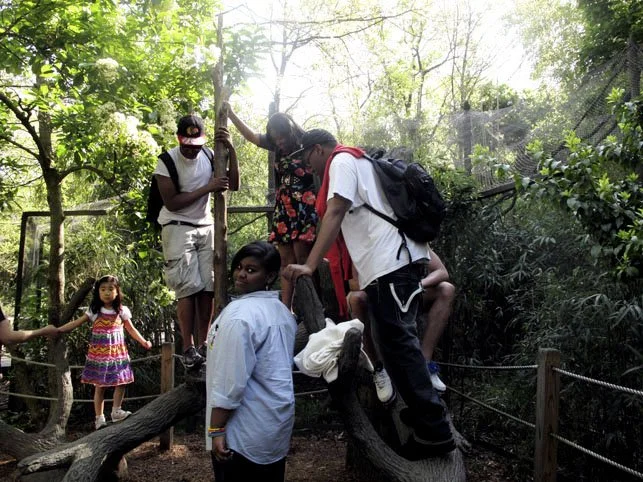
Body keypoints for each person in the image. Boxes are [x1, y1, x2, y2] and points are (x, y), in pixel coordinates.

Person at [283, 129, 456, 459]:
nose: (307, 164)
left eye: (306, 157)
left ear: (318, 149)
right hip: (388, 266)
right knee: (391, 346)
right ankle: (423, 417)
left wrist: (309, 265)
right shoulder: (358, 162)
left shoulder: (343, 160)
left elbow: (335, 211)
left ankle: (435, 430)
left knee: (401, 346)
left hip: (392, 265)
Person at [205, 241, 296, 481]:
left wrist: (216, 429)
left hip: (242, 432)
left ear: (270, 275)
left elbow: (230, 380)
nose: (241, 274)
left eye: (251, 270)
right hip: (275, 425)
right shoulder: (282, 312)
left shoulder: (239, 317)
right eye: (239, 267)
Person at [154, 114, 240, 369]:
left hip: (206, 226)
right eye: (187, 144)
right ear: (179, 139)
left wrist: (232, 151)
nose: (192, 150)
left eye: (196, 144)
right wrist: (208, 187)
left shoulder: (211, 155)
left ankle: (205, 343)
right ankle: (188, 347)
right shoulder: (166, 162)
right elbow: (172, 202)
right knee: (187, 286)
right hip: (177, 226)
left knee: (208, 287)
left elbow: (232, 184)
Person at [224, 102, 318, 309]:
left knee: (302, 258)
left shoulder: (308, 143)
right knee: (286, 259)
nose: (279, 141)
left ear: (291, 132)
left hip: (304, 206)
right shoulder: (276, 145)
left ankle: (308, 306)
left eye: (281, 137)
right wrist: (231, 114)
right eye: (275, 138)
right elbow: (252, 137)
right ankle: (286, 308)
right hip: (284, 207)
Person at [348, 248, 455, 399]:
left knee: (446, 289)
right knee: (355, 299)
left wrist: (417, 285)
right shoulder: (369, 242)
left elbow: (442, 272)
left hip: (409, 296)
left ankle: (425, 363)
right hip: (380, 298)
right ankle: (378, 369)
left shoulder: (409, 238)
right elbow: (354, 284)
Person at [58, 275, 152, 430]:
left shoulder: (122, 311)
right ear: (98, 292)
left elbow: (131, 329)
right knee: (100, 386)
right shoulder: (94, 311)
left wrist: (143, 341)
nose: (107, 292)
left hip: (117, 353)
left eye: (110, 289)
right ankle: (99, 418)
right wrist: (60, 330)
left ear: (117, 292)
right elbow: (76, 323)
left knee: (121, 382)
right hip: (99, 355)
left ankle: (116, 411)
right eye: (103, 289)